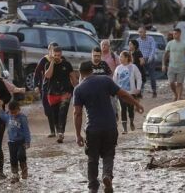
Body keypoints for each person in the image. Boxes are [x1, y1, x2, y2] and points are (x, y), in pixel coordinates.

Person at [73, 61, 144, 193]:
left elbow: (77, 113)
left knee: (92, 158)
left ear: (81, 73)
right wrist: (136, 104)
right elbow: (122, 94)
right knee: (108, 154)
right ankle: (107, 176)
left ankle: (93, 187)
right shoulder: (105, 80)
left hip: (92, 128)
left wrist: (78, 135)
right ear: (92, 70)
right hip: (110, 126)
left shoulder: (79, 89)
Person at [44, 47, 78, 144]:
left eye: (59, 55)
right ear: (52, 54)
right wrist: (52, 63)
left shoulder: (67, 64)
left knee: (62, 113)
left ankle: (61, 133)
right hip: (52, 93)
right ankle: (58, 130)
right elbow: (48, 75)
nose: (57, 57)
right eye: (55, 55)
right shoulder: (48, 64)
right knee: (55, 115)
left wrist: (77, 89)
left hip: (65, 93)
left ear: (61, 54)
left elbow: (73, 78)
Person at [0, 101, 31, 184]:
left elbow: (26, 130)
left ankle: (24, 169)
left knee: (21, 155)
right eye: (12, 112)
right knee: (13, 158)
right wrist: (0, 107)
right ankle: (15, 175)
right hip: (11, 142)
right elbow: (2, 116)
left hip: (21, 141)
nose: (14, 114)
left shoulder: (22, 118)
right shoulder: (9, 116)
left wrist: (27, 141)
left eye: (15, 112)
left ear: (19, 109)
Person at [34, 42, 59, 138]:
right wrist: (36, 85)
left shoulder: (61, 60)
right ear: (49, 51)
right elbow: (36, 73)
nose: (54, 52)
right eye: (52, 50)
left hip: (57, 89)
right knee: (48, 111)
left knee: (57, 110)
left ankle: (57, 130)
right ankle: (53, 130)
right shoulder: (44, 60)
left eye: (56, 50)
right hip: (46, 88)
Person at [113, 51, 142, 134]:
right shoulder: (118, 68)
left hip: (131, 92)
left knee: (130, 109)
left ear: (126, 58)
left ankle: (131, 121)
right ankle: (124, 128)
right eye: (120, 57)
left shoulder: (133, 67)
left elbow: (139, 77)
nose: (120, 58)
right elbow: (115, 80)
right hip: (121, 92)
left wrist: (138, 88)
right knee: (122, 109)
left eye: (121, 57)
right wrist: (114, 90)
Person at [163, 28, 185, 101]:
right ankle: (176, 94)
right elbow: (165, 55)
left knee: (179, 83)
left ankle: (179, 98)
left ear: (179, 34)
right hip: (171, 66)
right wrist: (163, 65)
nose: (174, 35)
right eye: (173, 34)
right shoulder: (170, 43)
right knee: (171, 83)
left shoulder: (184, 43)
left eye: (175, 34)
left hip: (181, 66)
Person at [136, 27, 157, 98]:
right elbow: (136, 51)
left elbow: (153, 49)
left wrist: (150, 58)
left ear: (145, 32)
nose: (140, 33)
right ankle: (140, 92)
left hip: (150, 59)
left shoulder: (151, 39)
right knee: (140, 76)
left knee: (152, 76)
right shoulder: (137, 41)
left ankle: (154, 91)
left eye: (141, 32)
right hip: (141, 60)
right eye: (139, 32)